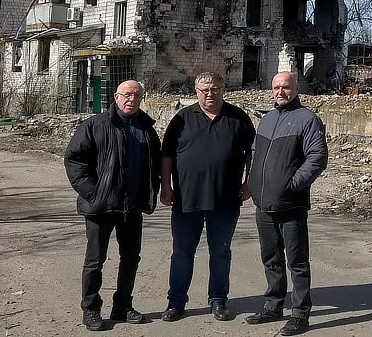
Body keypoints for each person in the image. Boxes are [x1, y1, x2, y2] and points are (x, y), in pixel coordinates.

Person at [64, 80, 162, 331]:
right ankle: (91, 309)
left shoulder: (146, 129)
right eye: (127, 95)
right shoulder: (95, 125)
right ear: (116, 97)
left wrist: (152, 190)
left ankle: (122, 306)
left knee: (131, 258)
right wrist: (93, 193)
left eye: (136, 96)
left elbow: (155, 165)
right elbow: (75, 160)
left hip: (132, 207)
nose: (131, 99)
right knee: (95, 261)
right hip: (100, 208)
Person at [160, 72, 256, 322]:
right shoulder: (182, 118)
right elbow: (167, 154)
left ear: (223, 89)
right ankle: (176, 302)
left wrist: (249, 183)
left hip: (225, 199)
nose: (210, 94)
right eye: (205, 90)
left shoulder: (238, 118)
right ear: (197, 91)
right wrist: (166, 187)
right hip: (186, 200)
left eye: (215, 89)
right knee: (182, 253)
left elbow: (252, 153)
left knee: (221, 252)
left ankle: (218, 300)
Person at [246, 71, 328, 336]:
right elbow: (255, 154)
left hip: (291, 205)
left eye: (286, 87)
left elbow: (317, 158)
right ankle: (273, 305)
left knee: (297, 262)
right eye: (276, 87)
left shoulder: (307, 119)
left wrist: (291, 185)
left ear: (296, 88)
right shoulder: (267, 119)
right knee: (271, 258)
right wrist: (253, 184)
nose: (280, 92)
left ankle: (300, 314)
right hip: (263, 205)